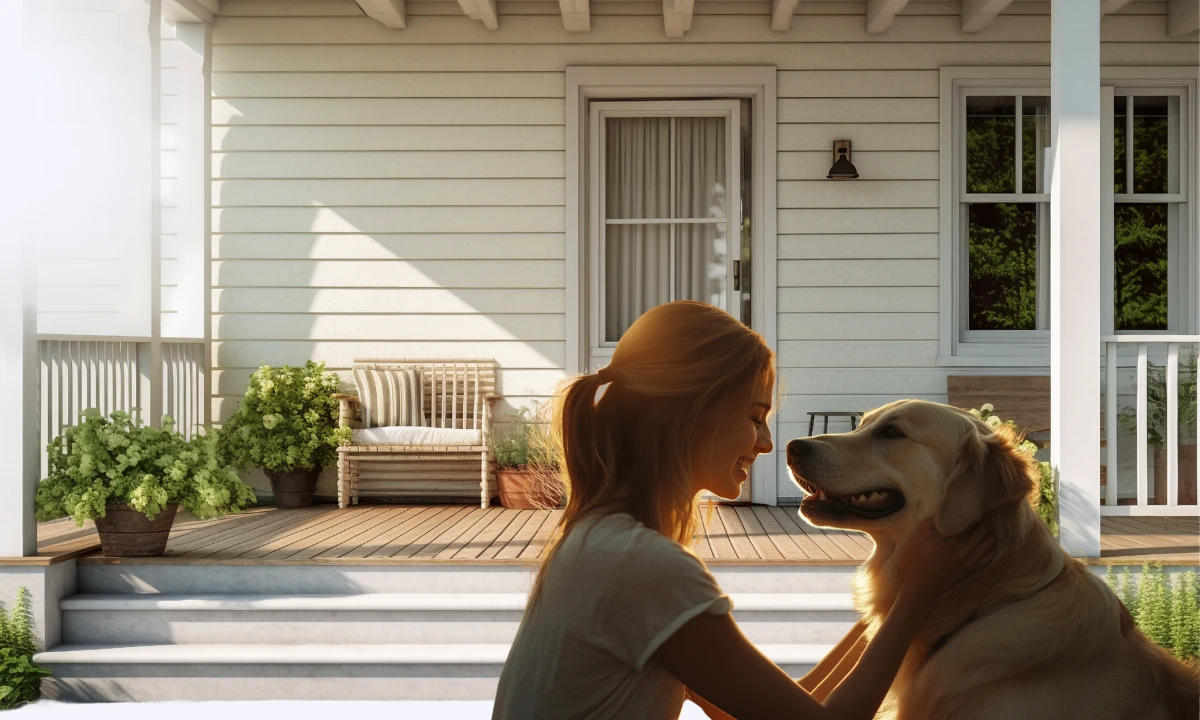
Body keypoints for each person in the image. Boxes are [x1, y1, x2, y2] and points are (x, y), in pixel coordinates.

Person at [492, 301, 994, 720]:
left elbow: (777, 708)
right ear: (691, 411)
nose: (768, 443)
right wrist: (917, 595)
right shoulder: (641, 566)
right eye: (755, 417)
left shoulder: (599, 541)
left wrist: (897, 596)